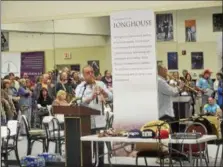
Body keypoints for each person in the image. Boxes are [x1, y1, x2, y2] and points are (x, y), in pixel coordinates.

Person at [75, 65, 112, 167]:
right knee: (86, 143)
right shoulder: (81, 87)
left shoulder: (100, 83)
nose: (91, 74)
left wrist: (103, 92)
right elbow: (78, 101)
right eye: (88, 73)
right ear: (83, 75)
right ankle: (88, 163)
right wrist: (91, 97)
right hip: (86, 119)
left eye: (92, 72)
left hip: (99, 117)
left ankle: (100, 164)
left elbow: (111, 96)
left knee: (99, 143)